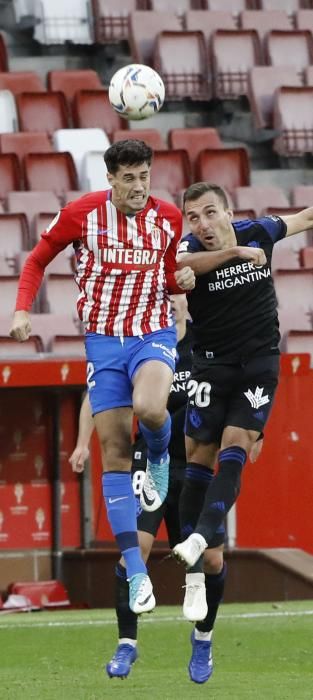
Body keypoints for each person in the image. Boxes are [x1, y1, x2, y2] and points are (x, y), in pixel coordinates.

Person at [9, 139, 195, 616]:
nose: (138, 186)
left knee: (151, 408)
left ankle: (157, 460)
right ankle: (136, 573)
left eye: (144, 176)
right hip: (103, 341)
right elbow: (36, 260)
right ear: (110, 178)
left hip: (151, 331)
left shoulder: (168, 217)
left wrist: (182, 281)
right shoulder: (81, 214)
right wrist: (22, 309)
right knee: (112, 453)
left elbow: (168, 276)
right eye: (129, 178)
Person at [70, 294, 263, 684]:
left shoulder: (205, 344)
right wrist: (80, 442)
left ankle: (203, 637)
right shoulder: (139, 342)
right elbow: (97, 394)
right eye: (165, 295)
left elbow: (234, 387)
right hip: (150, 460)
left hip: (197, 464)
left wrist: (255, 434)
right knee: (133, 551)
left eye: (177, 295)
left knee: (209, 560)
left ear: (187, 301)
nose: (172, 301)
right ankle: (126, 643)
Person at [172, 182, 313, 627]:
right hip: (211, 368)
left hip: (259, 365)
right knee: (198, 457)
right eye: (193, 216)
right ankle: (195, 576)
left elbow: (305, 218)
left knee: (235, 445)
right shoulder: (189, 251)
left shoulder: (260, 231)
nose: (202, 224)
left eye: (210, 212)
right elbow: (177, 265)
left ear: (229, 213)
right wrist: (228, 259)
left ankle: (197, 540)